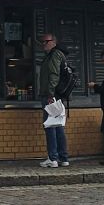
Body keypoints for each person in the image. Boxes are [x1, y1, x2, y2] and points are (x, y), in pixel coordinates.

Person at [37, 31, 69, 168]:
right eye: (43, 42)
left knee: (51, 126)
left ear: (54, 42)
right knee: (58, 126)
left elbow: (54, 75)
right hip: (57, 96)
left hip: (52, 96)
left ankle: (53, 158)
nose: (44, 44)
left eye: (47, 41)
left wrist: (50, 94)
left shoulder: (55, 55)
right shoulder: (55, 55)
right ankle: (63, 157)